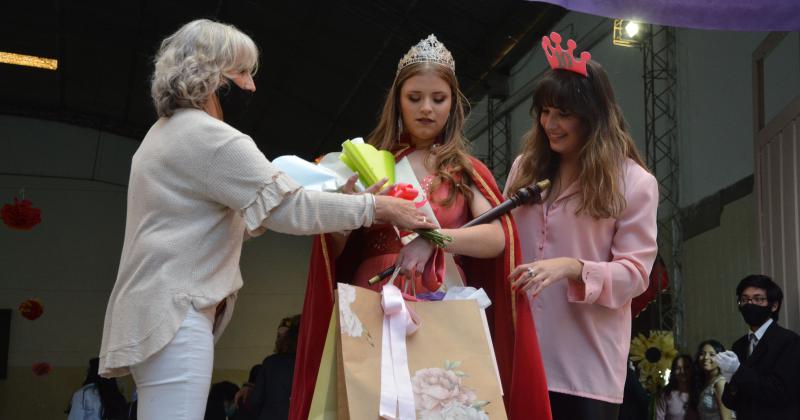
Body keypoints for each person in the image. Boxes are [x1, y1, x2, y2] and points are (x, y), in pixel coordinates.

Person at [97, 19, 434, 420]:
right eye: (241, 73)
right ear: (210, 74)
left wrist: (340, 204)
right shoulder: (209, 137)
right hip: (177, 311)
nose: (252, 86)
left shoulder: (164, 134)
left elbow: (219, 219)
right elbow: (287, 210)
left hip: (156, 308)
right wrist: (376, 208)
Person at [290, 34, 551, 420]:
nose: (426, 108)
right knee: (372, 407)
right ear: (397, 100)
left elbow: (498, 238)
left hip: (444, 296)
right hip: (375, 296)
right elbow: (338, 252)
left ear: (453, 104)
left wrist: (435, 239)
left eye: (438, 99)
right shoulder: (366, 163)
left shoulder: (465, 170)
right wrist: (345, 210)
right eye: (414, 98)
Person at [506, 31, 659, 420]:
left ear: (593, 115)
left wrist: (572, 267)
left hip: (585, 369)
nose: (550, 124)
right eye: (544, 111)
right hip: (517, 354)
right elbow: (501, 238)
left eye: (564, 114)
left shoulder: (634, 182)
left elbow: (636, 275)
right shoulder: (525, 168)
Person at [717, 274, 800, 419]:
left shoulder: (789, 341)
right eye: (744, 299)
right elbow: (730, 403)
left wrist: (738, 370)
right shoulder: (739, 345)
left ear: (774, 306)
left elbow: (780, 393)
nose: (750, 304)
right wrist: (730, 380)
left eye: (758, 299)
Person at [247, 315, 300, 420]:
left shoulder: (270, 362)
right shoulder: (308, 365)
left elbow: (256, 401)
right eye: (278, 336)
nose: (279, 339)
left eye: (283, 336)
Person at [694, 340, 733, 420]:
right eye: (702, 354)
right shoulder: (705, 381)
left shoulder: (720, 383)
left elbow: (727, 418)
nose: (706, 357)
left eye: (712, 354)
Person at [656, 354, 697, 420]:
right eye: (678, 368)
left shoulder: (698, 392)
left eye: (686, 367)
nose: (682, 371)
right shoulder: (666, 394)